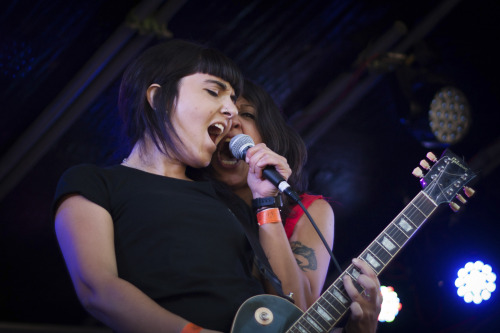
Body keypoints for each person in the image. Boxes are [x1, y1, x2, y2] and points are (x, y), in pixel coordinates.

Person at [52, 40, 292, 333]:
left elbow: (291, 305)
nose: (230, 111)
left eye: (233, 99)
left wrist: (267, 202)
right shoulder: (94, 183)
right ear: (157, 97)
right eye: (214, 91)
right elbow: (98, 289)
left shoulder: (226, 202)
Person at [208, 79, 382, 332]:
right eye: (224, 115)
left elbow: (299, 313)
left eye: (246, 114)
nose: (233, 122)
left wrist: (266, 203)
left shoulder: (310, 211)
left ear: (267, 134)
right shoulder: (192, 201)